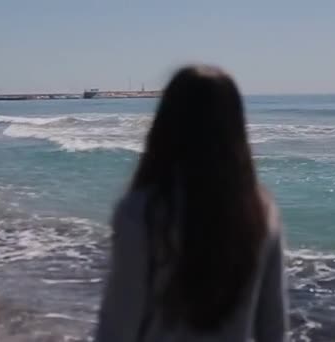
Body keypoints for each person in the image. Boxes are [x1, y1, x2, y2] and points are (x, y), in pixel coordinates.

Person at [95, 65, 288, 342]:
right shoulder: (260, 210)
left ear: (166, 123)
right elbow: (273, 324)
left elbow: (121, 319)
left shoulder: (142, 210)